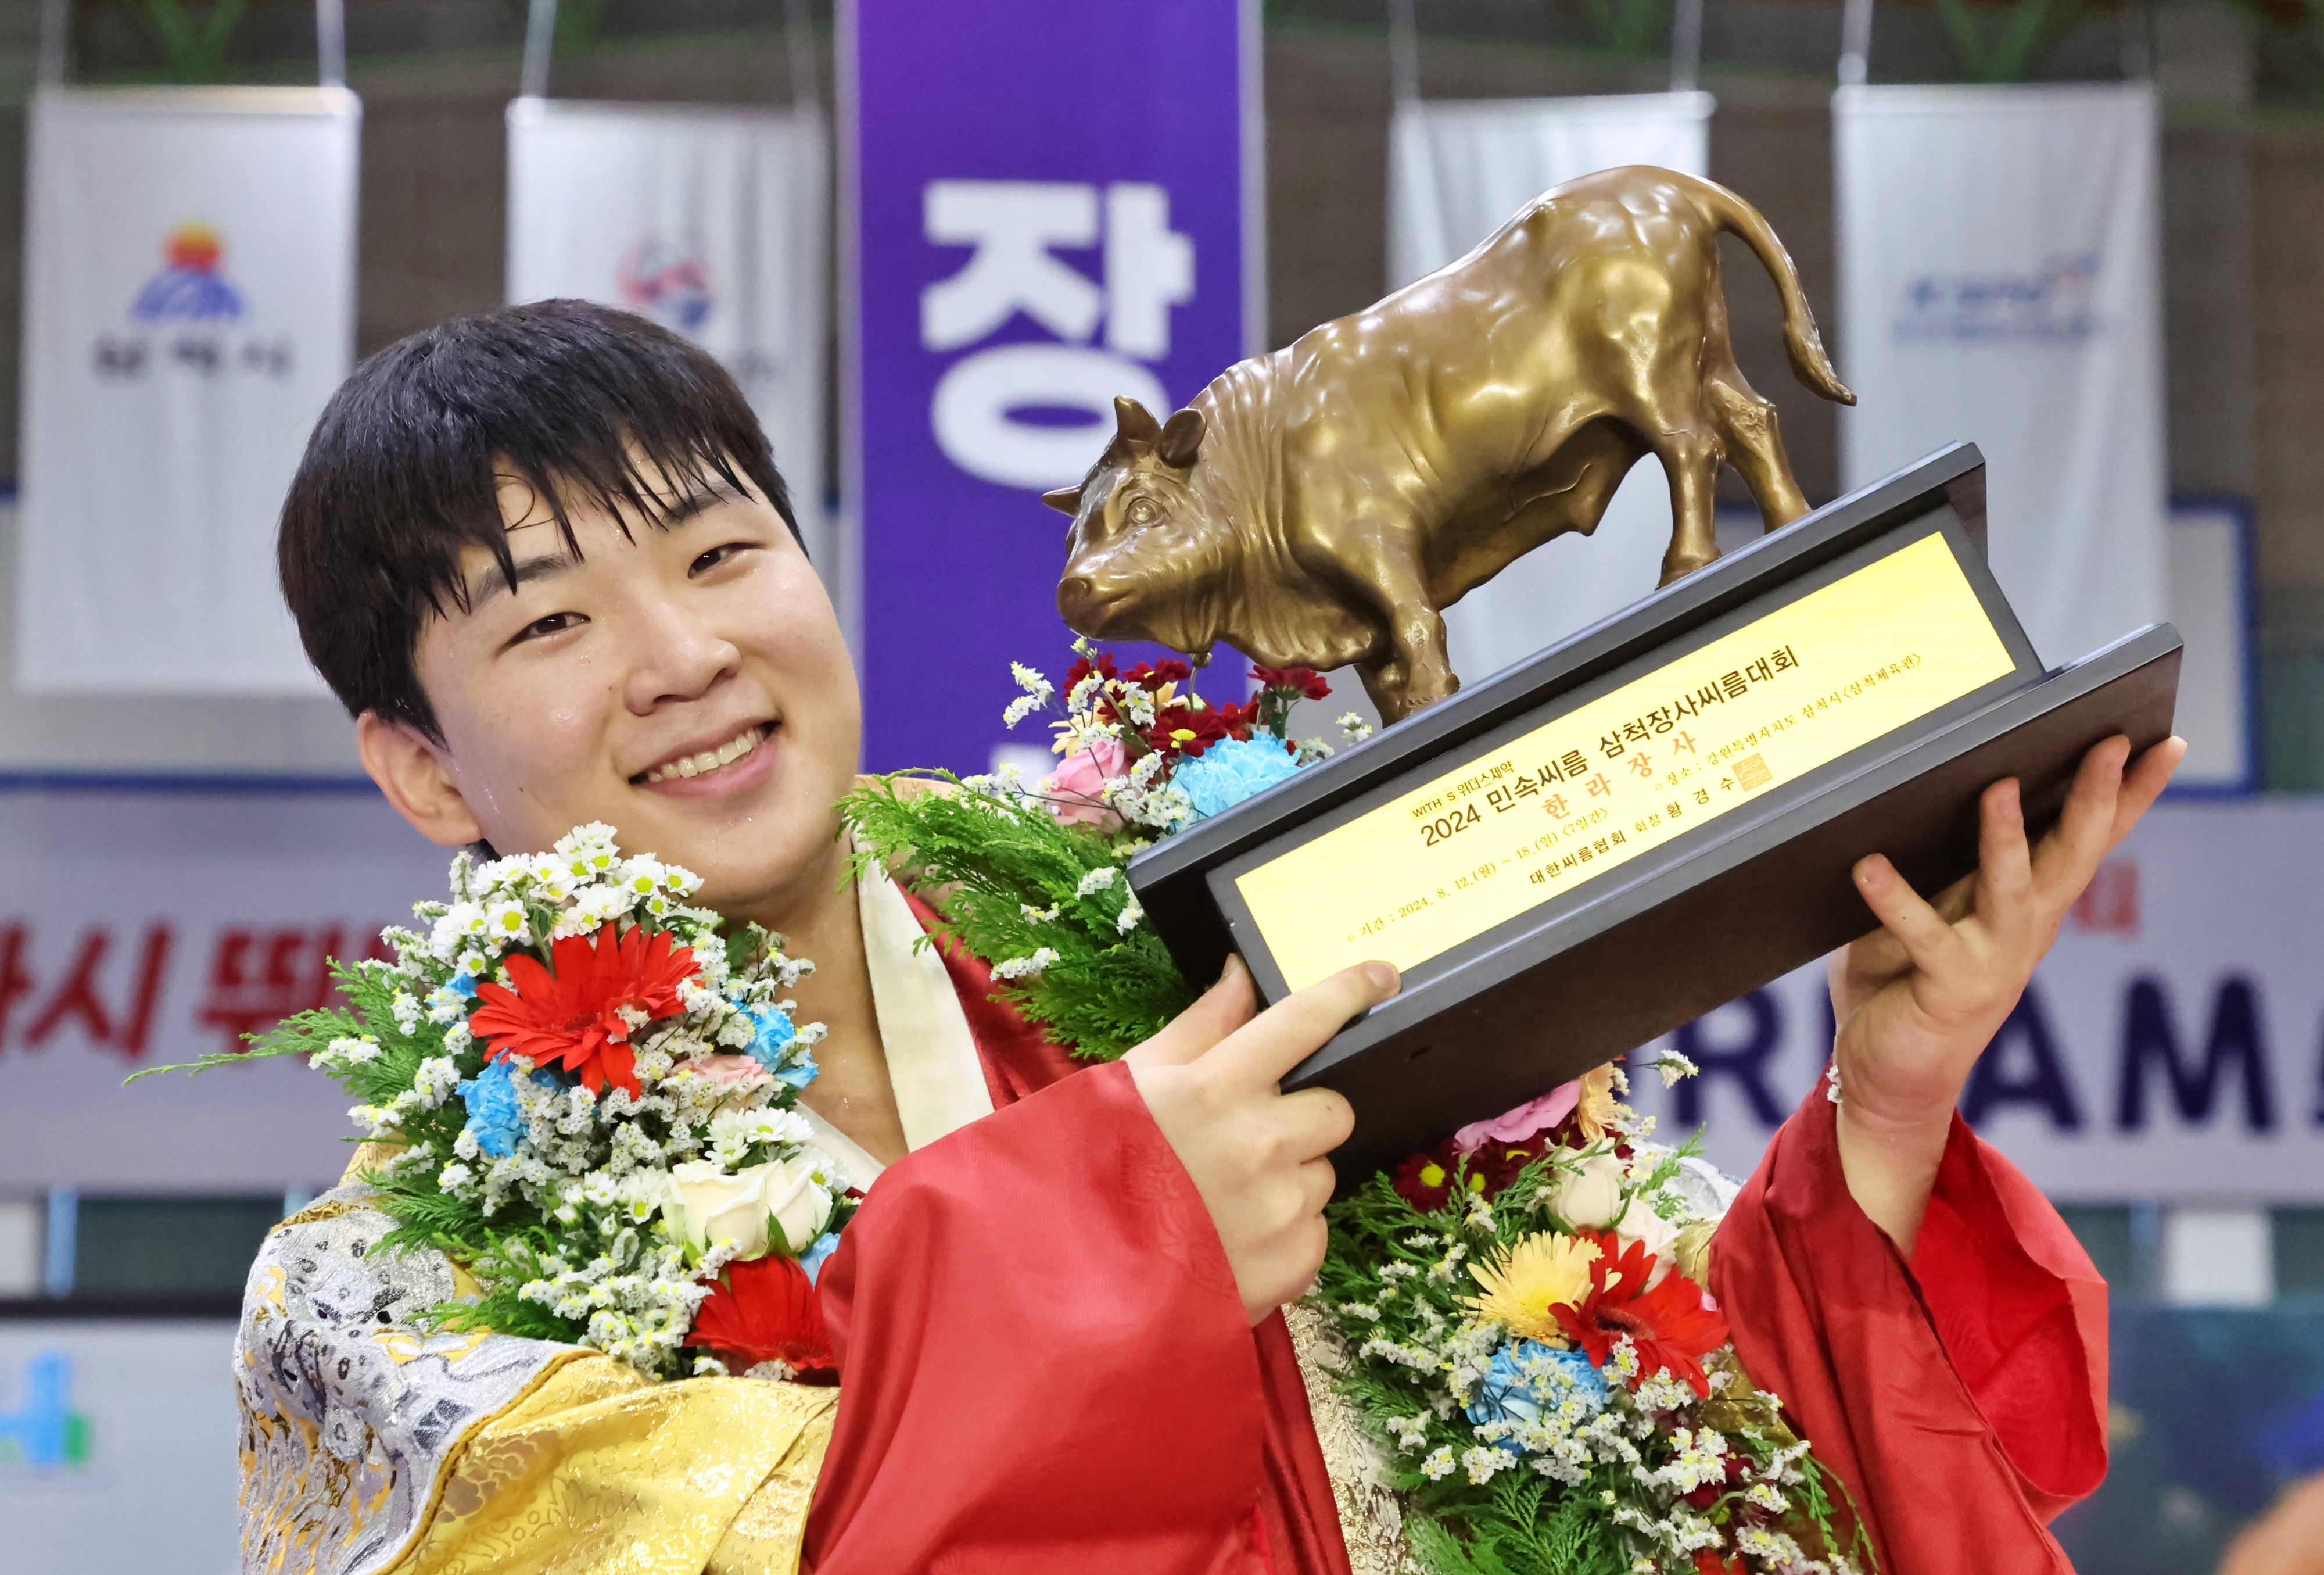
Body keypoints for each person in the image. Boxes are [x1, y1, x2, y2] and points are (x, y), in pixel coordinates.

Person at [246, 299, 2178, 1575]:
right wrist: (1102, 1244)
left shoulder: (1182, 943)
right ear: (418, 767)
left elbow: (1660, 1431)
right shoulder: (393, 1293)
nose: (686, 659)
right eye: (550, 624)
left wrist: (1888, 1109)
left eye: (722, 553)